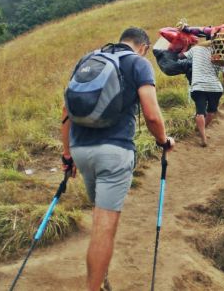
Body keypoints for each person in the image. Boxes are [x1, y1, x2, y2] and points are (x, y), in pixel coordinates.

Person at [61, 27, 174, 291]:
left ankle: (101, 277)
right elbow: (152, 115)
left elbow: (66, 111)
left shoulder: (89, 60)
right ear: (144, 46)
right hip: (114, 151)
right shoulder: (139, 64)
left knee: (99, 216)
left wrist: (67, 155)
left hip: (80, 149)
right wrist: (163, 141)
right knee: (104, 227)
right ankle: (94, 287)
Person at [185, 39, 224, 147]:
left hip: (199, 86)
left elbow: (184, 57)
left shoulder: (195, 49)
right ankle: (202, 130)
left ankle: (203, 137)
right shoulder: (221, 53)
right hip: (215, 88)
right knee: (211, 112)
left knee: (200, 112)